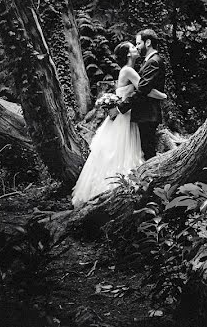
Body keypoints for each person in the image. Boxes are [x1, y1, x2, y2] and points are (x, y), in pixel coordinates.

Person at [70, 41, 166, 208]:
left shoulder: (129, 70)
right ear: (128, 54)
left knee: (119, 152)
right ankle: (118, 191)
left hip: (126, 115)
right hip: (125, 117)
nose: (137, 48)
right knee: (120, 152)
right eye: (133, 47)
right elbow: (146, 89)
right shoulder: (128, 70)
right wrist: (163, 96)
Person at [118, 29, 166, 160]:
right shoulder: (148, 61)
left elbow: (143, 90)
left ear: (148, 42)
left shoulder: (153, 62)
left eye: (139, 43)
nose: (138, 47)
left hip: (148, 114)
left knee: (148, 152)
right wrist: (161, 95)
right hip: (144, 114)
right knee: (145, 150)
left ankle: (152, 178)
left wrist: (120, 107)